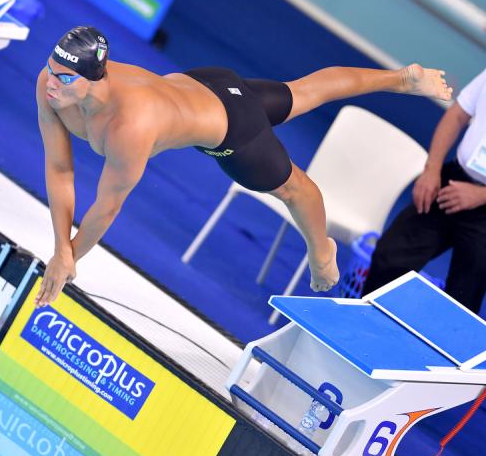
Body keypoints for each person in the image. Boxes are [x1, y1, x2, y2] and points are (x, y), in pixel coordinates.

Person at [34, 26, 452, 308]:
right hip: (206, 83)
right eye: (52, 70)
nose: (52, 82)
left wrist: (68, 258)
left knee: (295, 188)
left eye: (65, 78)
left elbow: (106, 207)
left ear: (95, 78)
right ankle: (401, 79)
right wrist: (61, 252)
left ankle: (322, 249)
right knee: (302, 91)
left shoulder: (129, 128)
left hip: (231, 128)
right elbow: (58, 167)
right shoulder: (50, 85)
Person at [362, 67, 486, 314]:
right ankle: (361, 325)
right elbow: (457, 115)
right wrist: (432, 170)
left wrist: (480, 195)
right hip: (452, 180)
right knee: (390, 255)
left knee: (463, 299)